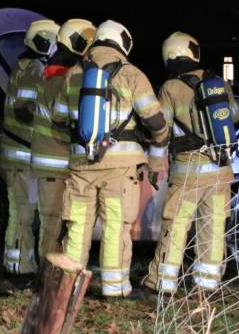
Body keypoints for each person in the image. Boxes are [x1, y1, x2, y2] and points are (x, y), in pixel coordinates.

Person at [56, 20, 169, 298]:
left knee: (78, 227)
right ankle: (115, 289)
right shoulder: (132, 75)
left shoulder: (73, 73)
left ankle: (68, 290)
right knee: (115, 227)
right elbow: (155, 120)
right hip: (120, 168)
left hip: (82, 165)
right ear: (123, 43)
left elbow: (58, 117)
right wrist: (159, 135)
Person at [142, 32, 239, 294]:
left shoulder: (170, 88)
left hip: (188, 173)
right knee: (214, 227)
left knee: (175, 226)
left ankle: (162, 283)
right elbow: (234, 115)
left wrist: (154, 166)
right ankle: (208, 284)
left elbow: (160, 130)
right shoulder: (217, 82)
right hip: (221, 171)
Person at [30, 19, 96, 258]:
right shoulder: (62, 79)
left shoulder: (53, 73)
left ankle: (51, 275)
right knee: (53, 225)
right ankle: (47, 278)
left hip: (53, 164)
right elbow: (66, 120)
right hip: (56, 164)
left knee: (55, 225)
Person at [1, 19, 60, 277]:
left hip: (21, 155)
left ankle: (21, 264)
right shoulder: (33, 68)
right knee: (23, 214)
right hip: (23, 156)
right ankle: (18, 268)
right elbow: (25, 110)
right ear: (44, 41)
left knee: (22, 214)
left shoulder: (25, 66)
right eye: (55, 42)